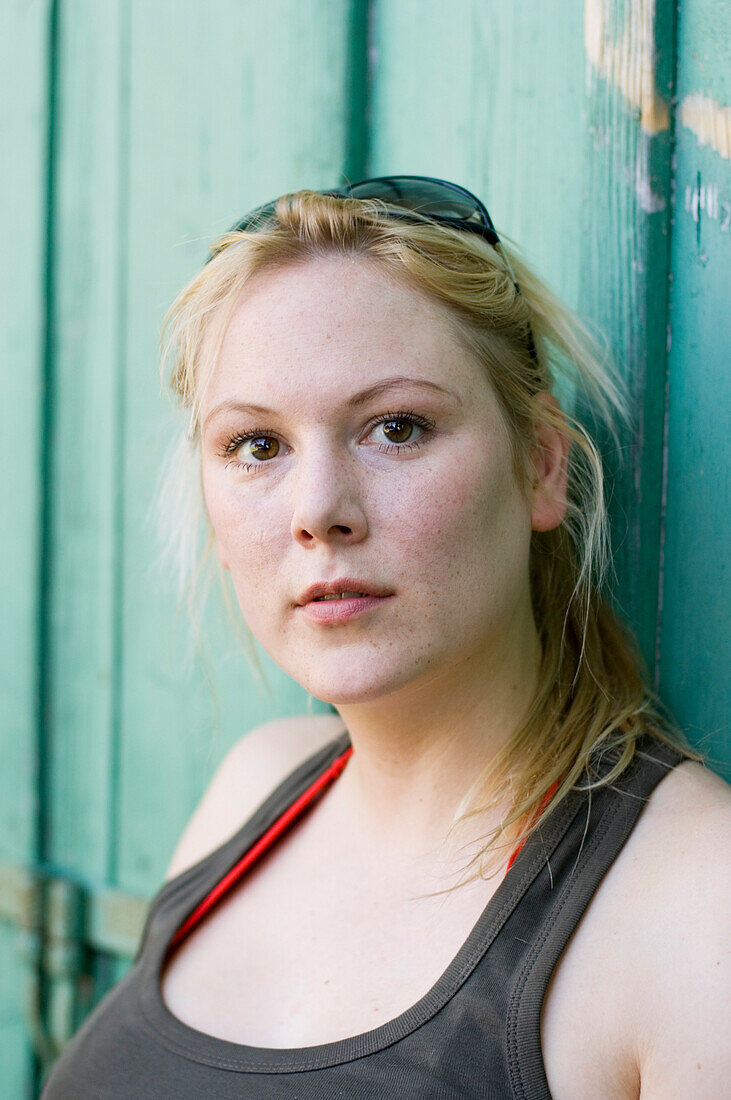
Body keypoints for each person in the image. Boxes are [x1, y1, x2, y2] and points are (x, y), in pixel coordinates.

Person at [42, 177, 729, 1099]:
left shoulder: (694, 904)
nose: (317, 511)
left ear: (539, 466)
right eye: (255, 445)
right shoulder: (255, 788)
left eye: (395, 428)